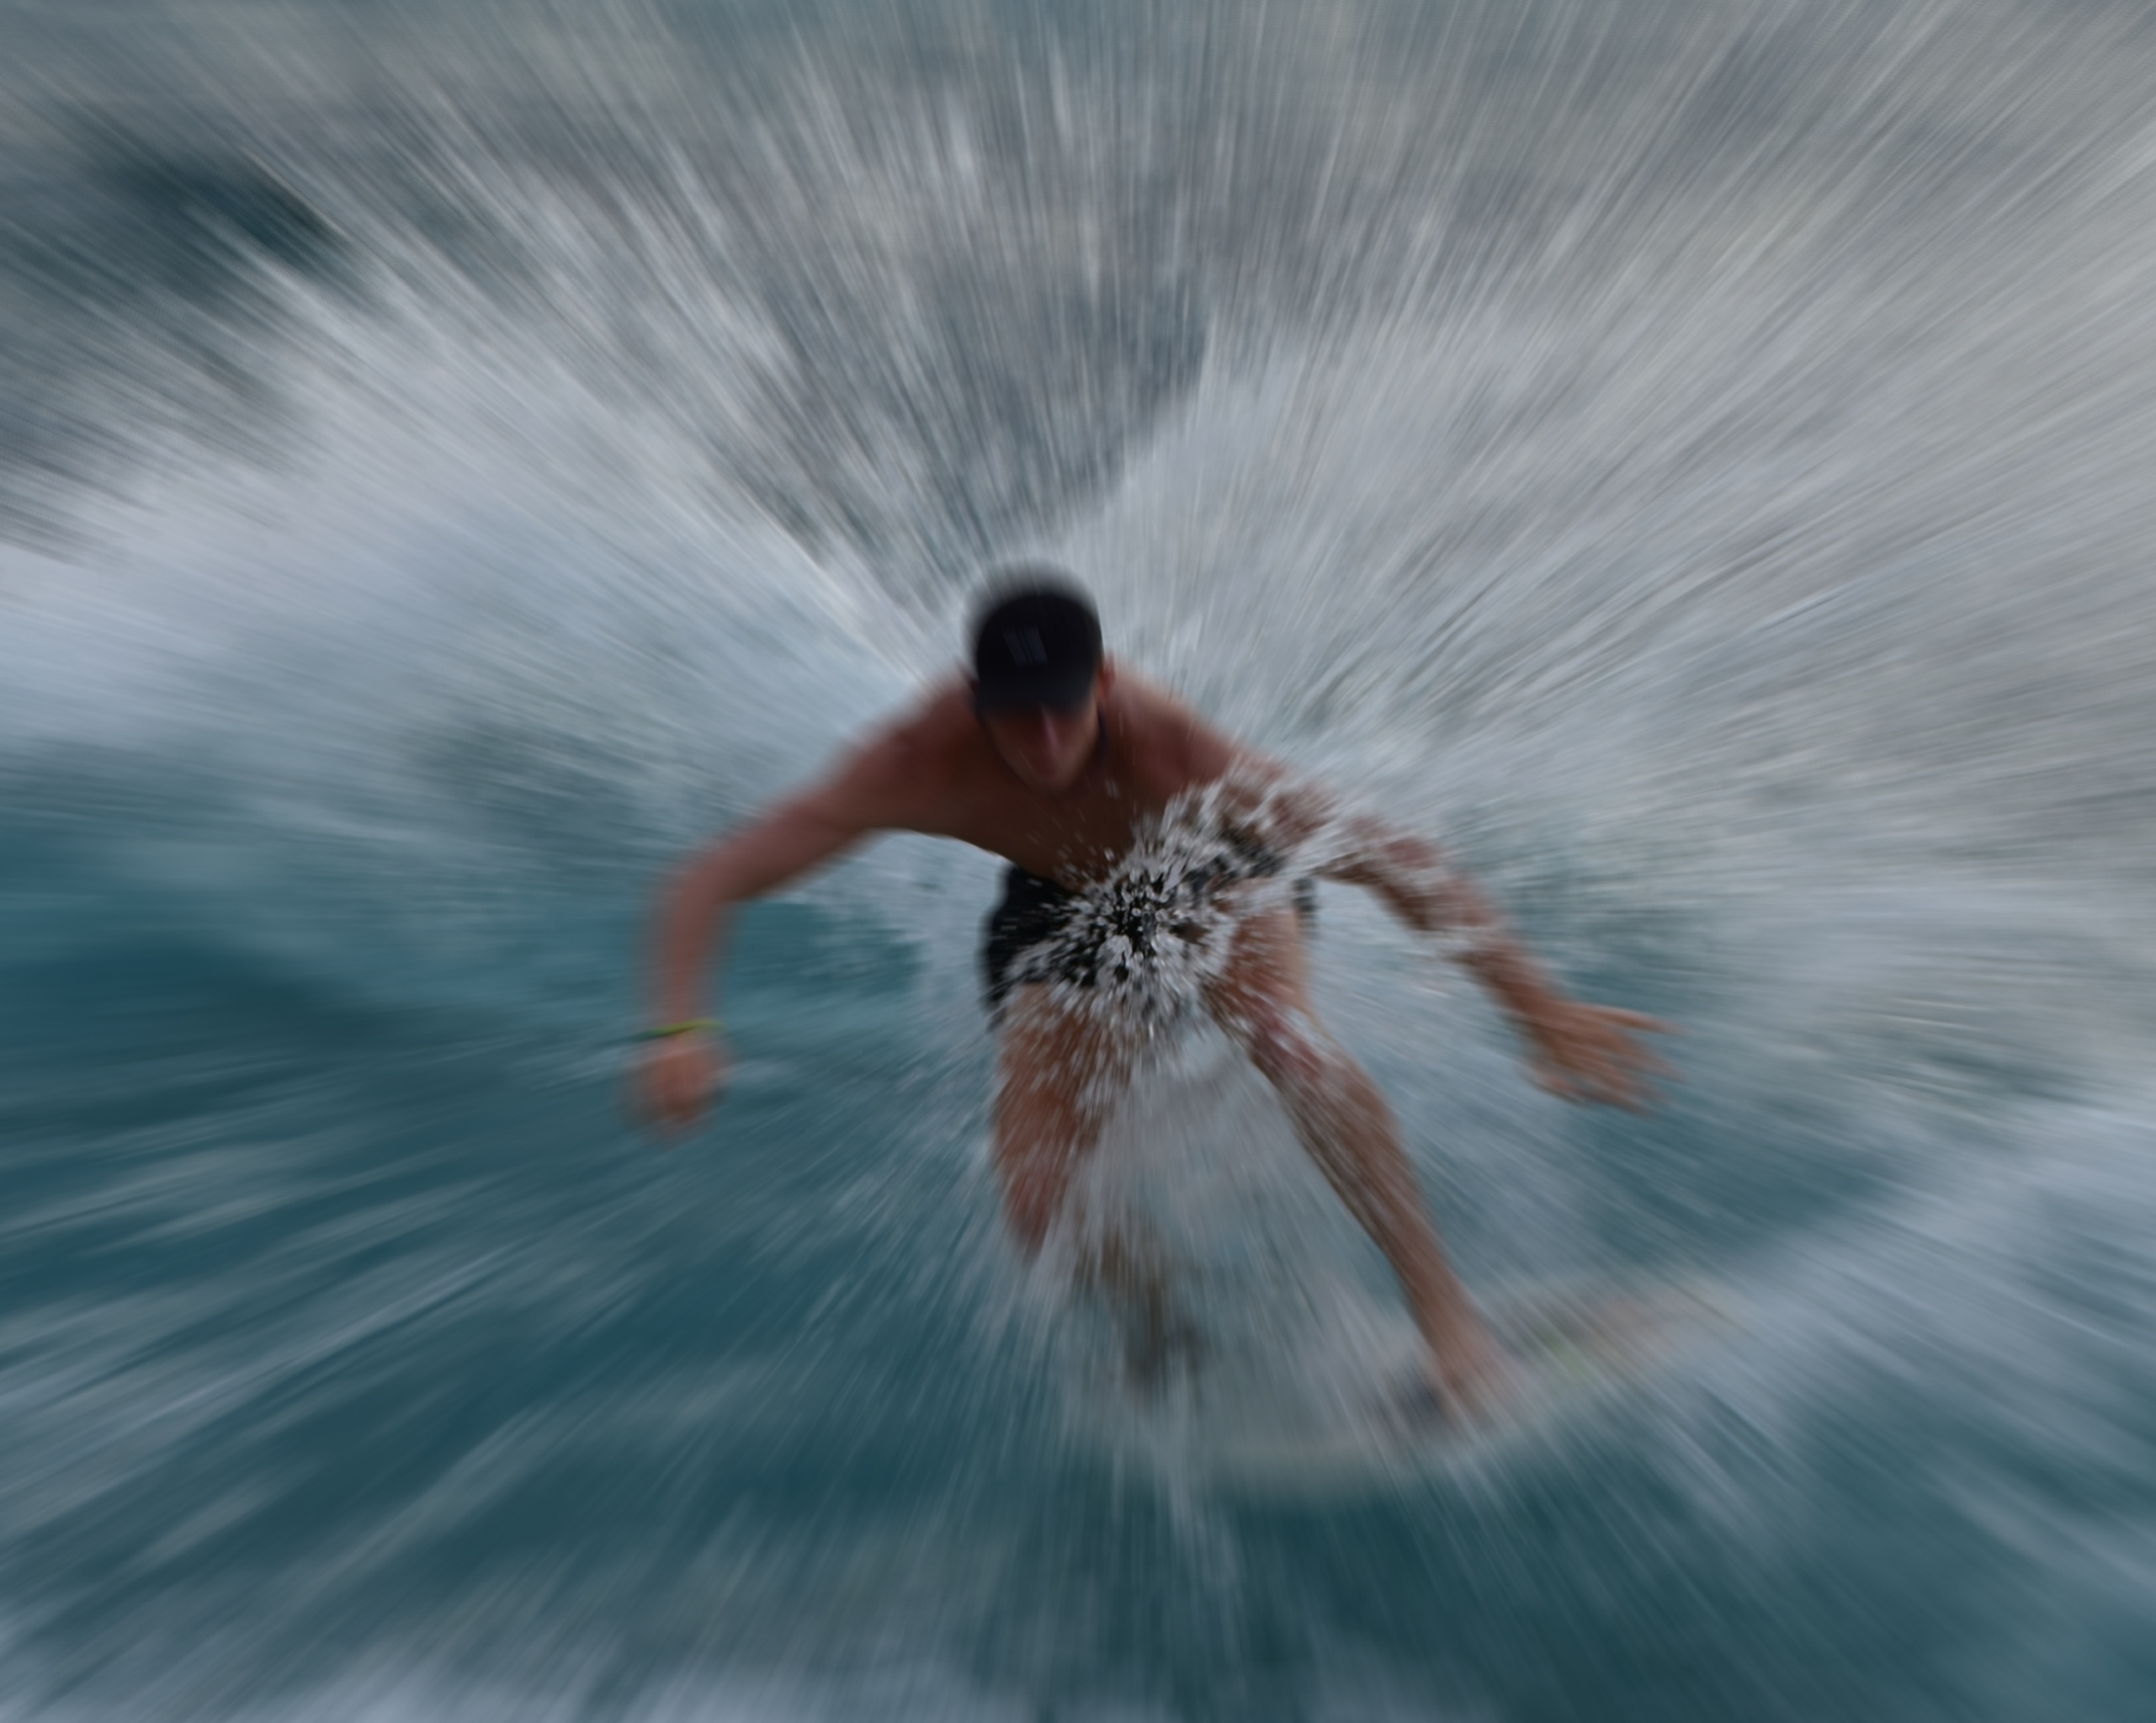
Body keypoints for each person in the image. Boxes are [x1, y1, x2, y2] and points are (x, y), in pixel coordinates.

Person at [631, 577, 1664, 1419]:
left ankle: (1448, 1325)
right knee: (1038, 1198)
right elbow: (710, 880)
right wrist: (680, 1027)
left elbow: (1395, 859)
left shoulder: (1177, 758)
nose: (1039, 742)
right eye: (1011, 718)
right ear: (971, 696)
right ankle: (1169, 1332)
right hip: (1058, 909)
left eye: (1062, 711)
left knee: (1286, 1041)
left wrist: (1537, 1010)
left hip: (1213, 870)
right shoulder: (914, 762)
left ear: (1105, 682)